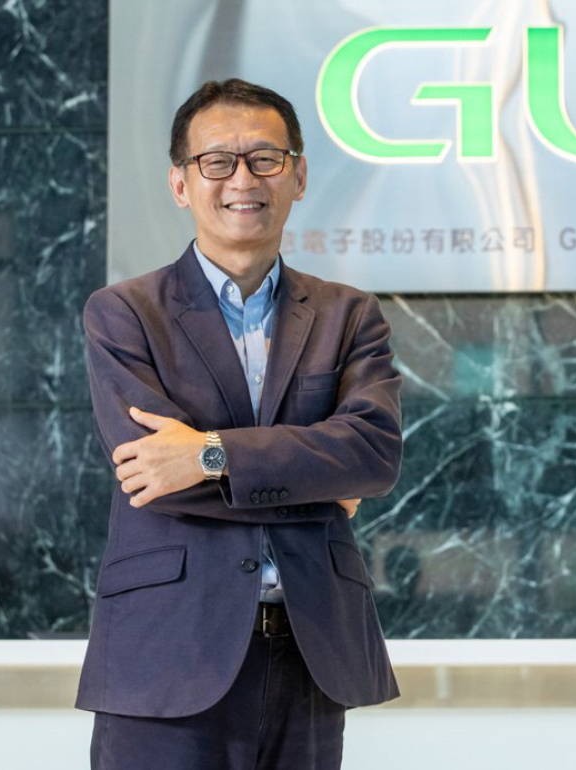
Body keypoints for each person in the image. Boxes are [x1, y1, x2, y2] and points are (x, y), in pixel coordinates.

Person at [75, 78, 403, 770]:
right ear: (180, 183)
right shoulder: (124, 313)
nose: (242, 180)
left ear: (298, 175)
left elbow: (373, 454)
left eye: (265, 158)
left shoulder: (349, 316)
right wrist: (316, 481)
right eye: (216, 161)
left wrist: (210, 454)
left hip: (310, 652)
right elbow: (151, 470)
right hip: (166, 654)